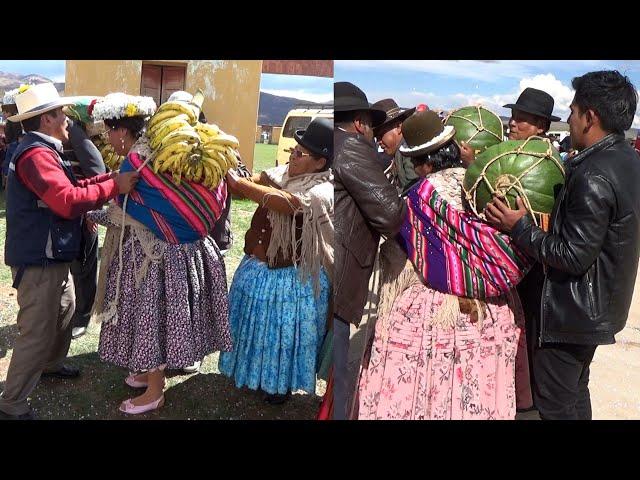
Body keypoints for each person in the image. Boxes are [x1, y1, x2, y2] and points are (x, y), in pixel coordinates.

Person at [357, 109, 532, 419]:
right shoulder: (483, 186)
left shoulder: (417, 199)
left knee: (428, 380)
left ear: (422, 162)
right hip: (488, 304)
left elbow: (401, 255)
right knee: (475, 385)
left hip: (434, 308)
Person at [485, 70, 640, 420]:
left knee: (554, 404)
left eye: (572, 112)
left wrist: (519, 227)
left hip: (573, 314)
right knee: (575, 391)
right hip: (598, 309)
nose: (568, 120)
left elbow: (572, 255)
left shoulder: (593, 174)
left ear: (590, 117)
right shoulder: (628, 159)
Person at [87, 92, 232, 414]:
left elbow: (123, 210)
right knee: (159, 317)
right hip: (183, 254)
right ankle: (146, 373)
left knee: (152, 319)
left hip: (157, 258)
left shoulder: (140, 161)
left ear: (121, 130)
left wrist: (87, 211)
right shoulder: (161, 155)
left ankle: (154, 391)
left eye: (108, 131)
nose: (108, 138)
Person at [0, 83, 138, 420]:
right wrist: (113, 186)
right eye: (60, 114)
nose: (66, 120)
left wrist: (107, 179)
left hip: (50, 255)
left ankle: (50, 364)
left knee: (66, 308)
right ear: (46, 119)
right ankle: (11, 403)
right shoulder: (35, 155)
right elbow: (66, 201)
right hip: (39, 259)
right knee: (36, 331)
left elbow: (73, 188)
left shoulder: (42, 150)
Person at [218, 117, 333, 405]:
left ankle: (278, 386)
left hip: (291, 278)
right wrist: (235, 174)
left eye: (299, 154)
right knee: (256, 330)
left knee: (280, 337)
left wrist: (242, 184)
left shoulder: (321, 190)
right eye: (294, 150)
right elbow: (258, 183)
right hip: (259, 267)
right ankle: (253, 375)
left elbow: (287, 203)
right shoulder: (282, 173)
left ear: (320, 163)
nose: (292, 156)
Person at [333, 82, 406, 419]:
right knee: (339, 361)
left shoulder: (334, 142)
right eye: (376, 126)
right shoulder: (352, 148)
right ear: (361, 122)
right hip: (343, 264)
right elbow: (390, 215)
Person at [164, 90, 251, 375]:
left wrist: (223, 168)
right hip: (179, 241)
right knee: (180, 300)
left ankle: (193, 353)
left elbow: (243, 181)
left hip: (212, 238)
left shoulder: (218, 146)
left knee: (199, 298)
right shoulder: (169, 147)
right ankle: (176, 349)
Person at [63, 115, 107, 340]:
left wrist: (93, 212)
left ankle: (83, 315)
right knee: (73, 266)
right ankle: (72, 312)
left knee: (84, 267)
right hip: (65, 213)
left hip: (83, 213)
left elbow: (97, 172)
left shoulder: (75, 135)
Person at [371, 98, 416, 190]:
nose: (379, 142)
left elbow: (414, 189)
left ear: (399, 127)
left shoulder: (408, 151)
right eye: (376, 137)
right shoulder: (399, 151)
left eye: (380, 135)